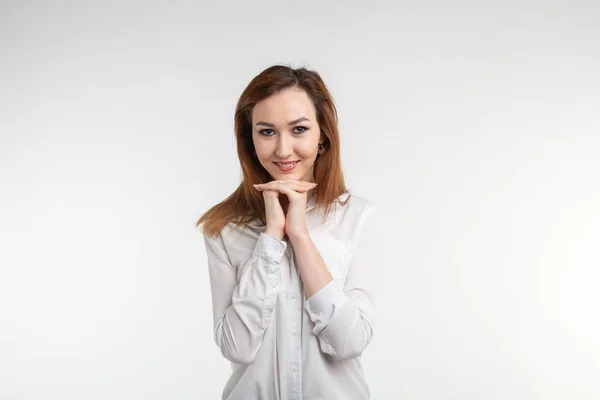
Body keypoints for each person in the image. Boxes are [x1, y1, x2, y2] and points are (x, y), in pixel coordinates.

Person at [197, 64, 378, 400]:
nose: (282, 150)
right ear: (250, 140)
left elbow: (351, 342)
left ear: (322, 134)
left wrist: (300, 236)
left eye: (298, 129)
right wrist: (271, 237)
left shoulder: (355, 216)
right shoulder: (223, 228)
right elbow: (236, 347)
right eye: (267, 132)